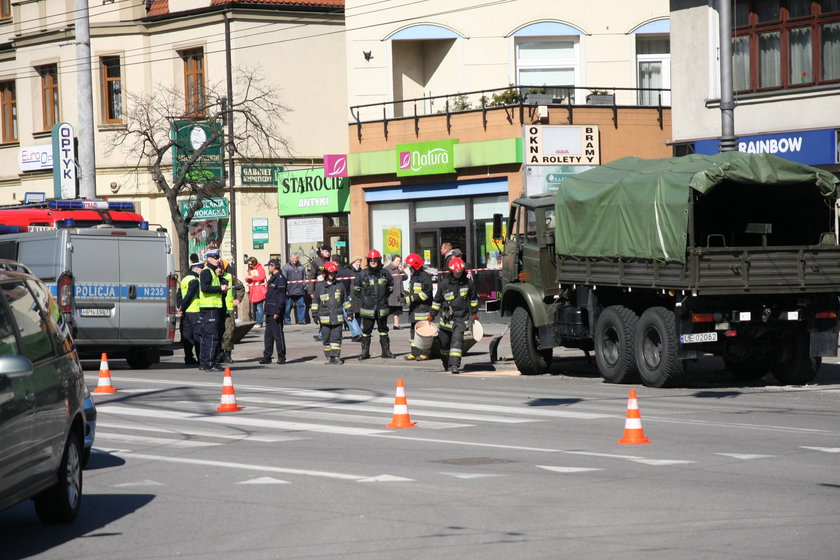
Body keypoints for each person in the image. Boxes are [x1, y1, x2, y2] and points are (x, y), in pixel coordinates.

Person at [429, 256, 478, 374]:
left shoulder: (468, 283)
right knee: (444, 343)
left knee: (457, 341)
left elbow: (473, 299)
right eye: (456, 271)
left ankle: (455, 365)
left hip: (461, 318)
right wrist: (432, 315)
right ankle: (446, 362)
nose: (458, 273)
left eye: (460, 271)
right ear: (451, 271)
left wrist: (474, 313)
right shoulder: (444, 284)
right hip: (446, 319)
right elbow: (437, 300)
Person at [354, 249, 394, 359]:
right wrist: (365, 299)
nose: (373, 262)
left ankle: (386, 352)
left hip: (382, 308)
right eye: (371, 260)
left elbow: (390, 288)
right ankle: (365, 353)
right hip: (367, 308)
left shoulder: (385, 273)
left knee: (383, 330)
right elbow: (357, 290)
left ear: (379, 260)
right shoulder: (362, 274)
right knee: (366, 331)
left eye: (375, 260)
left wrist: (383, 297)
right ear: (368, 261)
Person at [311, 261, 352, 365]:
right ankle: (329, 357)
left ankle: (336, 356)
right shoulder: (320, 286)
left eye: (333, 273)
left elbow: (345, 301)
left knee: (337, 338)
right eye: (330, 273)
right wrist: (315, 314)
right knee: (326, 339)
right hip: (324, 319)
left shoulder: (340, 286)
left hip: (337, 318)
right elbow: (315, 301)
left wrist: (350, 313)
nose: (332, 275)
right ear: (325, 273)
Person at [198, 249, 229, 372]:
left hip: (215, 307)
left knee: (212, 336)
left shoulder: (214, 272)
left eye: (218, 258)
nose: (218, 260)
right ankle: (210, 363)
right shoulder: (207, 271)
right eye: (215, 258)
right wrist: (219, 288)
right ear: (209, 259)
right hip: (210, 307)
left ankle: (208, 362)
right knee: (212, 336)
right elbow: (205, 288)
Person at [402, 253, 433, 361]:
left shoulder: (425, 277)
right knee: (413, 331)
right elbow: (412, 290)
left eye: (410, 267)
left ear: (416, 266)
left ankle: (425, 353)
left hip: (423, 309)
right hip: (415, 309)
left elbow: (426, 294)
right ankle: (414, 353)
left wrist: (409, 299)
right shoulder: (414, 276)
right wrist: (404, 294)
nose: (409, 269)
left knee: (423, 332)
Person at [260, 258, 288, 365]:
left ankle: (281, 356)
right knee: (268, 335)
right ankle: (267, 355)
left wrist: (278, 311)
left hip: (275, 311)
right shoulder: (273, 278)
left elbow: (281, 297)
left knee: (278, 334)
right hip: (269, 310)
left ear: (274, 267)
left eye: (269, 266)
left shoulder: (280, 278)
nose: (268, 268)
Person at [178, 261, 204, 365]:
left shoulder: (184, 279)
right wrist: (183, 307)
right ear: (196, 269)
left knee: (187, 336)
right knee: (197, 336)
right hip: (195, 311)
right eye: (201, 269)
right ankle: (200, 358)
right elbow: (189, 295)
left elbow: (179, 294)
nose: (202, 271)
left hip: (186, 313)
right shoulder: (195, 280)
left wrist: (180, 307)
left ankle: (188, 357)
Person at [220, 264, 245, 364]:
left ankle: (227, 354)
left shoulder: (230, 277)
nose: (219, 270)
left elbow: (240, 287)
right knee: (218, 332)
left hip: (228, 308)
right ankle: (219, 353)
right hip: (216, 308)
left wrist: (238, 299)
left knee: (229, 332)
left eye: (221, 268)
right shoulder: (212, 276)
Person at [308, 245, 332, 340]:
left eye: (329, 251)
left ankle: (322, 334)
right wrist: (311, 291)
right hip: (319, 289)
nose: (328, 253)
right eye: (326, 251)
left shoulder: (329, 261)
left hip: (329, 288)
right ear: (322, 252)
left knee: (326, 311)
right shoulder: (316, 261)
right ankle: (322, 334)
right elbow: (311, 276)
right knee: (322, 311)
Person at [282, 253, 307, 325]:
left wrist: (304, 285)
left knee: (301, 306)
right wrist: (285, 289)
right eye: (293, 258)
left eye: (296, 258)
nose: (295, 260)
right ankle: (286, 320)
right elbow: (284, 279)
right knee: (287, 307)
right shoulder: (286, 267)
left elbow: (304, 277)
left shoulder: (301, 267)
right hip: (289, 290)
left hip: (300, 290)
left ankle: (301, 320)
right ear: (290, 259)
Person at [384, 254, 406, 329]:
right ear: (392, 261)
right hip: (391, 293)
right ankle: (384, 324)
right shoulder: (387, 269)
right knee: (387, 310)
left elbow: (405, 277)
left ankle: (396, 325)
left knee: (397, 310)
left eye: (400, 261)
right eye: (397, 261)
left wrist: (401, 270)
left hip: (398, 292)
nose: (399, 262)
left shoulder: (399, 269)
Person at [245, 257, 267, 328]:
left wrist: (252, 278)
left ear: (254, 263)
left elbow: (262, 277)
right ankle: (257, 321)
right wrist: (247, 279)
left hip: (259, 291)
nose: (250, 266)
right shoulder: (250, 269)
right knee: (256, 308)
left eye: (251, 264)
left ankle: (259, 322)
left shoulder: (259, 268)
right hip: (253, 291)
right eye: (249, 265)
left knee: (259, 307)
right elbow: (250, 280)